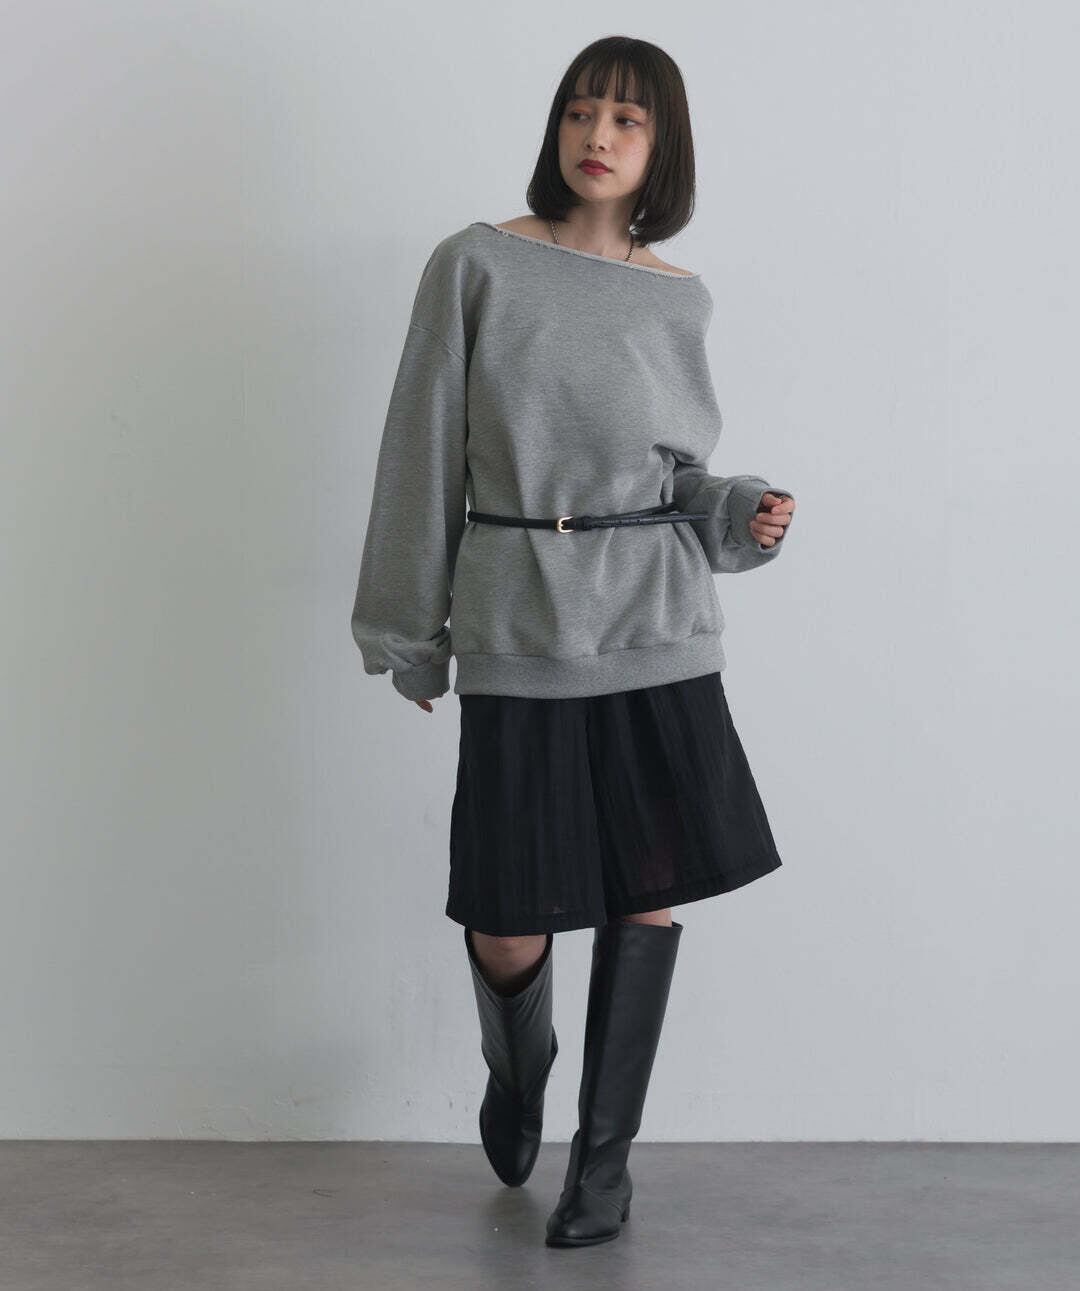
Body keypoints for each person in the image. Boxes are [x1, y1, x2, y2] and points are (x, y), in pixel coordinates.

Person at [350, 35, 796, 1249]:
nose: (599, 136)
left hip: (657, 623)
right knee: (509, 913)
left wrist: (739, 508)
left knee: (648, 897)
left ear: (663, 147)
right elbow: (420, 453)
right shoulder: (475, 264)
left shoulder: (678, 296)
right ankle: (521, 1063)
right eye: (582, 112)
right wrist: (407, 630)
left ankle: (605, 1165)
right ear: (557, 128)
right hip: (523, 619)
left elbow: (678, 476)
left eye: (628, 120)